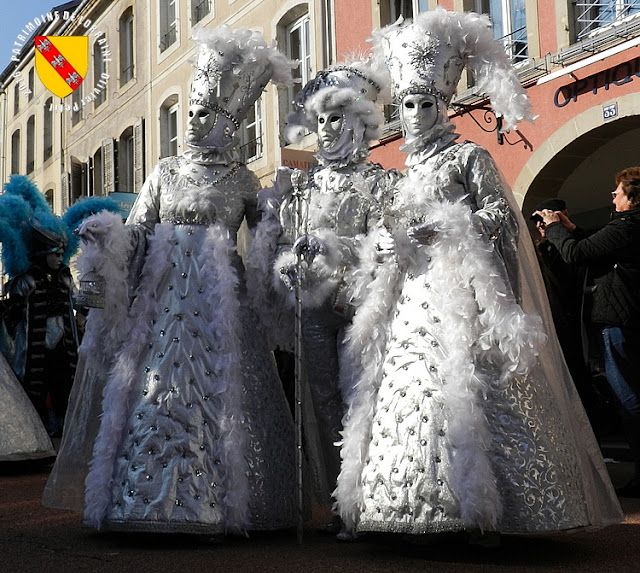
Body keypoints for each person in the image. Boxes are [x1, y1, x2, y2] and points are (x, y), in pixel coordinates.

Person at [334, 8, 623, 540]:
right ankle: (401, 507)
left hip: (460, 293)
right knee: (406, 391)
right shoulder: (401, 173)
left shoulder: (468, 155)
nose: (416, 113)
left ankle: (481, 511)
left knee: (467, 385)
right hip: (409, 301)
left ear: (443, 107)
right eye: (407, 104)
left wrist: (448, 226)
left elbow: (499, 216)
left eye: (426, 103)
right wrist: (390, 240)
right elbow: (386, 232)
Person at [46, 26, 298, 535]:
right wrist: (106, 239)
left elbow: (268, 249)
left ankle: (226, 506)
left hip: (223, 317)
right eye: (191, 112)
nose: (194, 121)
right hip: (164, 310)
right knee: (155, 392)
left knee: (227, 400)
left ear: (230, 123)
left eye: (206, 113)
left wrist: (283, 219)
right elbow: (138, 233)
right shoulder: (163, 172)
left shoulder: (245, 181)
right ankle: (147, 499)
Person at [247, 59, 399, 533]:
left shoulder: (379, 180)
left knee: (361, 398)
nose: (328, 129)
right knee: (324, 399)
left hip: (358, 306)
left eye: (338, 117)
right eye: (322, 119)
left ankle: (370, 498)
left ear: (360, 121)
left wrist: (340, 247)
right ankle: (339, 503)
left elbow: (387, 240)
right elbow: (286, 245)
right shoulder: (303, 186)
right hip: (312, 308)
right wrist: (288, 267)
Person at [538, 167, 640, 497]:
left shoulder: (627, 225)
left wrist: (554, 229)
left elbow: (577, 254)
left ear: (632, 197)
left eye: (618, 192)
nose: (612, 196)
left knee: (629, 399)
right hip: (627, 320)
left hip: (619, 323)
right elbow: (596, 251)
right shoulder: (628, 229)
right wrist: (570, 228)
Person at [0, 175, 112, 437]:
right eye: (55, 253)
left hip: (64, 348)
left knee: (65, 389)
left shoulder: (64, 278)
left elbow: (80, 300)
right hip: (32, 351)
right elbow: (12, 313)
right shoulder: (25, 281)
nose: (59, 257)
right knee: (34, 392)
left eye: (61, 252)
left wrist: (91, 296)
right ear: (42, 253)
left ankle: (63, 431)